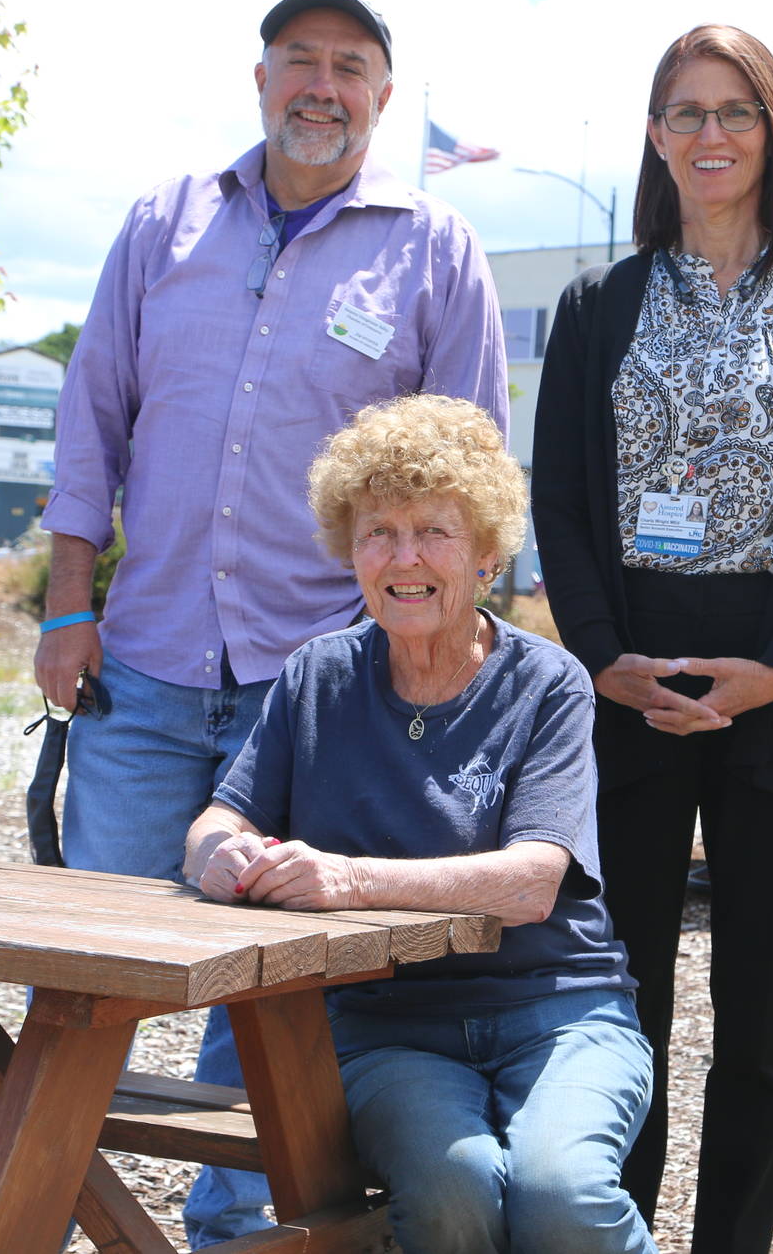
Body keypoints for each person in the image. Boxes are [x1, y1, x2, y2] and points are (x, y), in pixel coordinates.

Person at [33, 0, 508, 1245]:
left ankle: (228, 1234)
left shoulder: (434, 249)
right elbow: (92, 423)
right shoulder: (162, 225)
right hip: (142, 667)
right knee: (92, 963)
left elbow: (467, 477)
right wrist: (64, 606)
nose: (321, 85)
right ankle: (57, 1206)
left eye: (349, 66)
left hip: (324, 688)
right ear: (258, 79)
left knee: (268, 986)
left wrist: (435, 667)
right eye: (299, 59)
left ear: (382, 98)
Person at [531, 24, 773, 1252]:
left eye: (733, 111)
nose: (708, 135)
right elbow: (561, 502)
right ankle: (609, 1230)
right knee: (619, 998)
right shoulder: (600, 303)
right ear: (653, 135)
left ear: (772, 130)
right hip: (629, 673)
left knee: (757, 1013)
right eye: (682, 112)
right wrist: (598, 654)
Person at [187, 394, 656, 1254]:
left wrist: (348, 878)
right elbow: (222, 815)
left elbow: (530, 881)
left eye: (434, 532)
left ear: (484, 551)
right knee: (452, 1190)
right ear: (350, 550)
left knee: (561, 1194)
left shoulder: (548, 683)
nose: (405, 558)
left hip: (558, 1010)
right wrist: (221, 854)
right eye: (378, 532)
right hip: (387, 1025)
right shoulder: (319, 674)